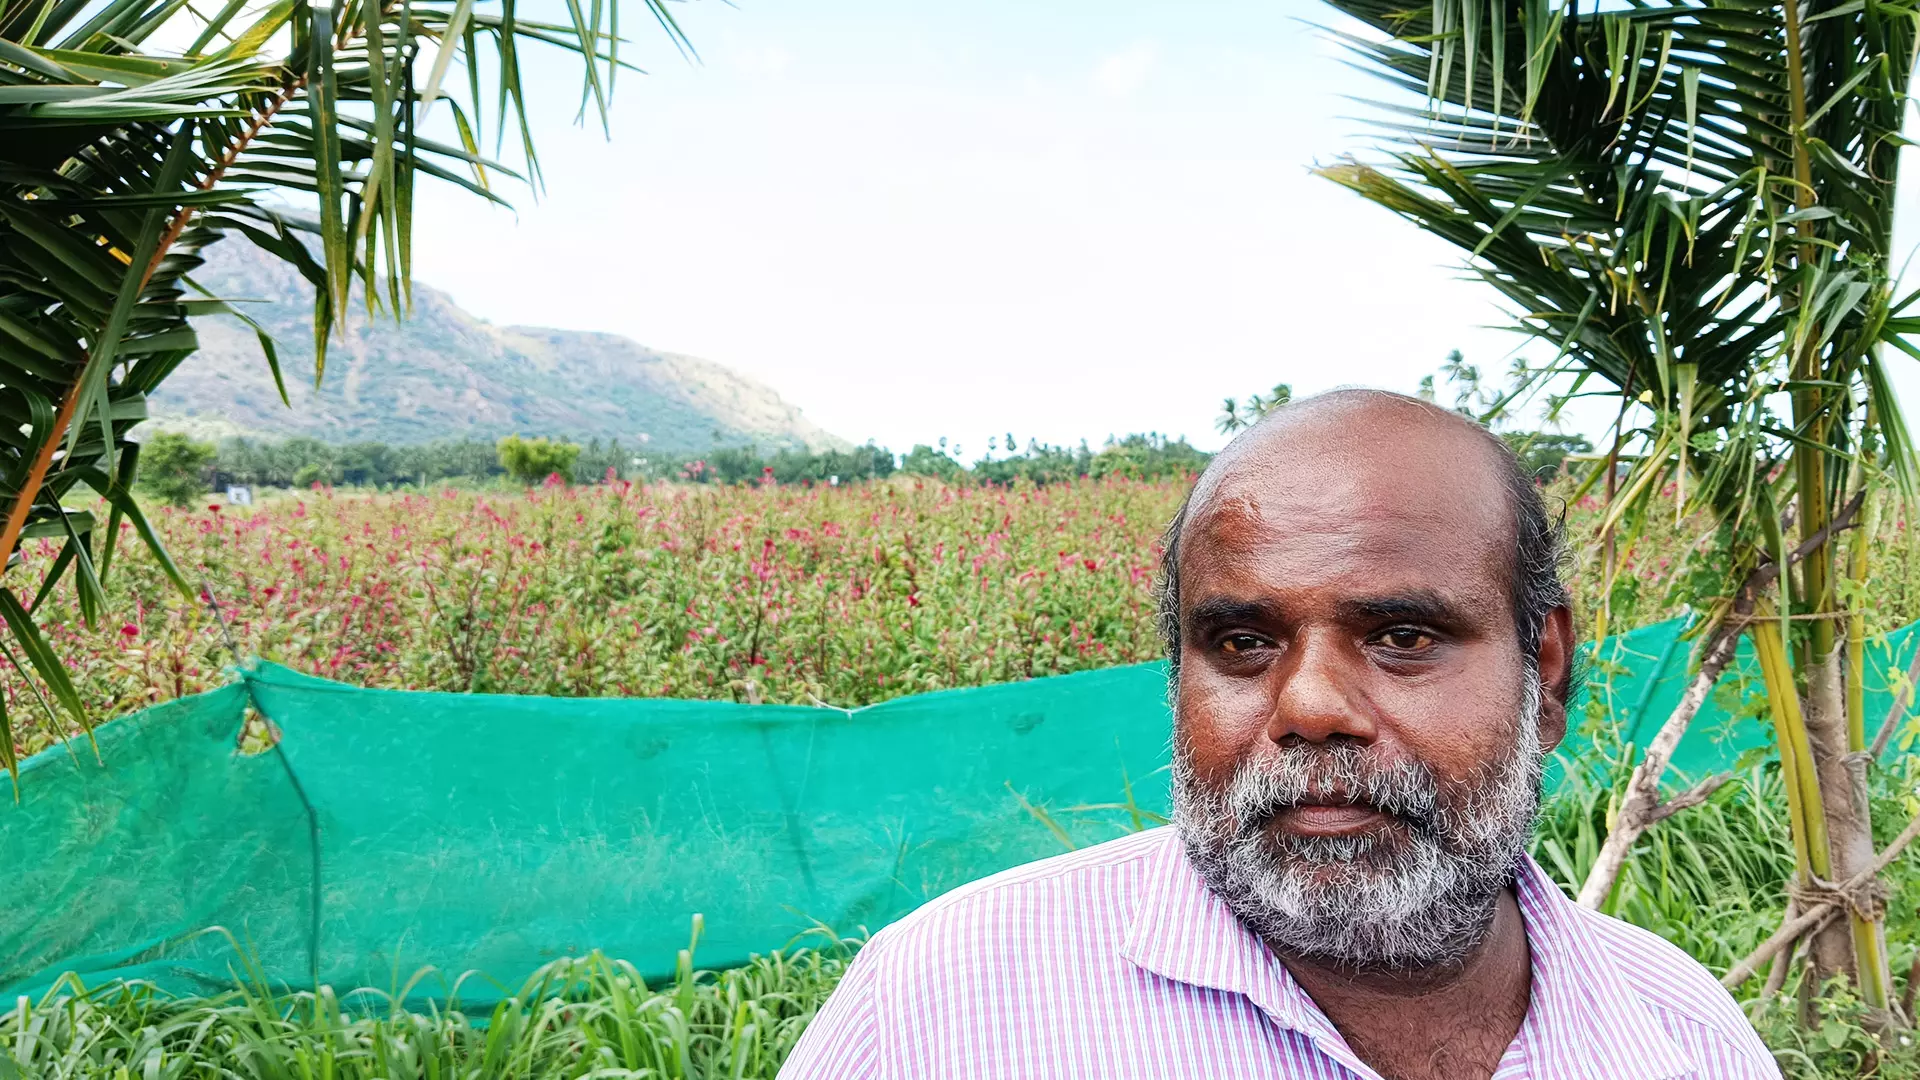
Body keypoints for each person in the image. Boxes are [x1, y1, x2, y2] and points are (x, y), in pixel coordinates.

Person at [778, 390, 1780, 1080]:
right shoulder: (941, 1013)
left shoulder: (1681, 1038)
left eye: (1403, 636)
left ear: (1544, 669)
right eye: (1243, 641)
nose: (1308, 707)